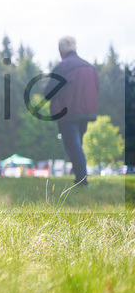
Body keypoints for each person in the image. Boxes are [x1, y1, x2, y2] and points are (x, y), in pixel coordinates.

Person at [48, 36, 99, 186]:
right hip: (86, 112)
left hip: (67, 113)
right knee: (78, 144)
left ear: (60, 51)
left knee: (73, 146)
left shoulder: (62, 67)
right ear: (75, 48)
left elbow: (48, 92)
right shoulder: (89, 67)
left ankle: (82, 181)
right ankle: (79, 176)